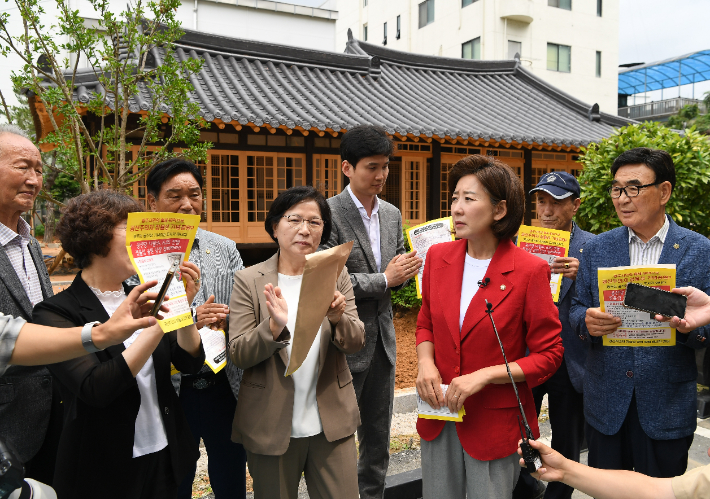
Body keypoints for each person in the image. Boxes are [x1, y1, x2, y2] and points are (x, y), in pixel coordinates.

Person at [32, 190, 205, 499]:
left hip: (167, 452)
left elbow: (190, 362)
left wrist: (183, 308)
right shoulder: (56, 312)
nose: (142, 240)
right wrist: (160, 323)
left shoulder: (142, 293)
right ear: (96, 237)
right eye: (131, 229)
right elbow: (97, 388)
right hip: (103, 466)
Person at [415, 154, 564, 499]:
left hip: (495, 420)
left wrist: (484, 375)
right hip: (438, 412)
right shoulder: (438, 257)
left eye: (469, 199)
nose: (457, 208)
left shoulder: (529, 270)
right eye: (454, 197)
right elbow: (426, 323)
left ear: (499, 210)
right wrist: (425, 362)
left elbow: (550, 354)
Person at [570, 147, 710, 478]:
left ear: (664, 192)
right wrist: (586, 322)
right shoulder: (597, 249)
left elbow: (706, 326)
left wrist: (687, 326)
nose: (622, 198)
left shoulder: (699, 250)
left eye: (634, 188)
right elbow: (575, 310)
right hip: (607, 403)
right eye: (617, 189)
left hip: (667, 405)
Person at [228, 185, 365, 499]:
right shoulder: (248, 280)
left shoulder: (335, 274)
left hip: (331, 420)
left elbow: (356, 341)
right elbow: (238, 353)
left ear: (323, 231)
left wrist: (337, 317)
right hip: (271, 422)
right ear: (275, 227)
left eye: (315, 222)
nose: (305, 229)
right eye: (294, 220)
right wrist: (274, 328)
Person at [320, 124, 422, 499]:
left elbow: (398, 271)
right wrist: (385, 278)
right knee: (341, 435)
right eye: (371, 167)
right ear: (347, 168)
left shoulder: (392, 213)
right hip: (345, 340)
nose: (380, 175)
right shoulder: (327, 212)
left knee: (378, 437)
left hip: (384, 342)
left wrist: (412, 270)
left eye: (385, 167)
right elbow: (330, 278)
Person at [143, 158, 247, 499]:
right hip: (170, 389)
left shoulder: (225, 248)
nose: (187, 204)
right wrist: (190, 316)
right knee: (175, 479)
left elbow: (245, 307)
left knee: (231, 474)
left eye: (195, 194)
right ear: (152, 202)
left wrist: (230, 316)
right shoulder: (138, 254)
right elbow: (138, 322)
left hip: (223, 382)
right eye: (175, 195)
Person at [516, 172, 595, 499]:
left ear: (575, 206)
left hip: (570, 359)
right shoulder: (519, 244)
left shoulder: (592, 247)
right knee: (522, 434)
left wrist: (584, 275)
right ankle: (527, 485)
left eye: (557, 203)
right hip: (527, 354)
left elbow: (610, 304)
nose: (546, 211)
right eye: (541, 201)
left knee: (566, 437)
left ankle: (559, 495)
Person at [0, 124, 60, 484]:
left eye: (38, 170)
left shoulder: (30, 244)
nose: (34, 180)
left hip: (50, 417)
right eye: (23, 167)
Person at [0, 281, 163, 375]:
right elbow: (97, 389)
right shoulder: (56, 309)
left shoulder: (134, 294)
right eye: (124, 227)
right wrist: (158, 327)